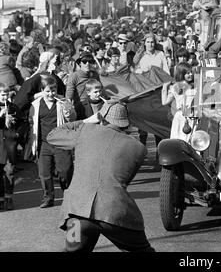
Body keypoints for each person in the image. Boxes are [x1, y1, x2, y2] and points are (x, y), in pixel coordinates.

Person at [47, 103, 154, 252]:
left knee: (72, 250)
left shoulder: (85, 131)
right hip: (116, 215)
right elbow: (125, 181)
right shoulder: (139, 148)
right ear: (125, 123)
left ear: (101, 118)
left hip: (77, 215)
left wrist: (85, 121)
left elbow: (52, 135)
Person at [29, 76, 76, 208]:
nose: (51, 94)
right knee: (44, 173)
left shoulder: (62, 102)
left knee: (65, 171)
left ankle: (68, 194)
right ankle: (48, 198)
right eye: (48, 91)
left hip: (60, 142)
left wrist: (69, 110)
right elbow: (32, 123)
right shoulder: (36, 105)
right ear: (42, 90)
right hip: (44, 143)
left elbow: (72, 119)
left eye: (53, 90)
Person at [0, 84, 25, 211]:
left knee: (9, 171)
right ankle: (1, 198)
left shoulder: (13, 107)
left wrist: (17, 134)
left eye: (7, 94)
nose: (5, 97)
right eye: (2, 94)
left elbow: (23, 122)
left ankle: (9, 197)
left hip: (9, 144)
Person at [161, 63, 196, 142]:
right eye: (187, 73)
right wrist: (164, 87)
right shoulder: (175, 87)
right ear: (181, 74)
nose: (191, 74)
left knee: (193, 142)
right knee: (179, 141)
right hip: (181, 117)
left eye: (191, 72)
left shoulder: (196, 85)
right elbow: (164, 102)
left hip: (194, 117)